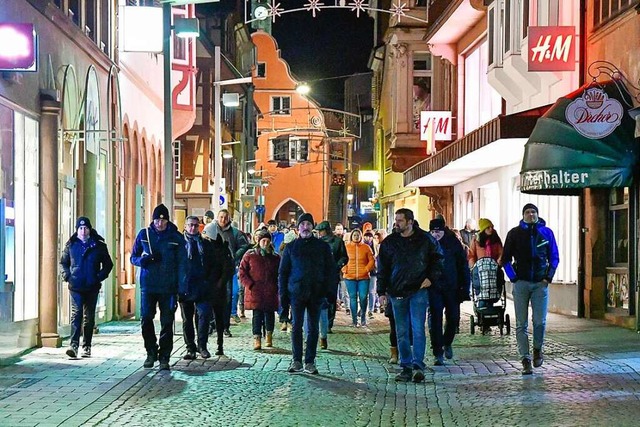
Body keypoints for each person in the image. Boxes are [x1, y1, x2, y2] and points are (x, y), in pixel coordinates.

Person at [377, 208, 444, 383]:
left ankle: (418, 366)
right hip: (397, 291)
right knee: (401, 331)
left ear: (410, 222)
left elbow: (438, 258)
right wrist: (381, 292)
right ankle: (406, 365)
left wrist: (431, 277)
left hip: (418, 290)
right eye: (396, 220)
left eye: (400, 220)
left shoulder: (425, 239)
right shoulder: (389, 243)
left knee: (418, 329)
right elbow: (382, 268)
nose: (396, 223)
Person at [501, 203, 559, 375]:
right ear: (523, 215)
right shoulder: (515, 234)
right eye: (528, 212)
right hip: (522, 283)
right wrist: (514, 278)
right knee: (521, 323)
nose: (531, 214)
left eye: (533, 212)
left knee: (539, 321)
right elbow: (505, 259)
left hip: (540, 283)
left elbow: (554, 256)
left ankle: (537, 349)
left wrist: (548, 277)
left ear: (537, 214)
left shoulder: (546, 233)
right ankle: (525, 358)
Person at [131, 204, 187, 370]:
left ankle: (164, 356)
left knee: (167, 322)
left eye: (162, 220)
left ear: (167, 220)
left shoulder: (176, 238)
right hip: (148, 285)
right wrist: (143, 261)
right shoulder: (144, 235)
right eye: (157, 220)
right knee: (146, 319)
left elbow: (183, 264)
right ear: (153, 220)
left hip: (168, 287)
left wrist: (181, 286)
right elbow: (133, 256)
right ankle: (151, 351)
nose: (159, 223)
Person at [279, 213, 336, 374]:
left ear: (313, 227)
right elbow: (283, 273)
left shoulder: (322, 247)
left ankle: (310, 361)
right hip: (296, 292)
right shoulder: (291, 248)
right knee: (296, 326)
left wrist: (330, 292)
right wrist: (283, 296)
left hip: (316, 292)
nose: (305, 227)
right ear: (298, 228)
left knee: (313, 328)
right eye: (302, 224)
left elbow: (330, 270)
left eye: (308, 224)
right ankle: (296, 360)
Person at [179, 216, 232, 360]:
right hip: (185, 287)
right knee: (187, 319)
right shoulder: (180, 244)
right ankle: (190, 348)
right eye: (190, 225)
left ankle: (202, 346)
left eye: (195, 226)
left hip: (203, 287)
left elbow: (214, 265)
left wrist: (211, 282)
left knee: (204, 315)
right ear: (185, 226)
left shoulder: (205, 244)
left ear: (199, 227)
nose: (193, 228)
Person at [60, 217, 113, 359]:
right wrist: (67, 276)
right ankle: (74, 345)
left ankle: (87, 345)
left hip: (91, 286)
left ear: (90, 229)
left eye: (85, 228)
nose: (83, 231)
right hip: (76, 286)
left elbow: (108, 264)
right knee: (76, 315)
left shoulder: (98, 245)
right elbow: (63, 262)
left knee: (88, 317)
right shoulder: (71, 245)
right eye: (80, 228)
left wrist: (98, 277)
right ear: (77, 230)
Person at [427, 218, 469, 365]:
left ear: (443, 230)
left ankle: (447, 342)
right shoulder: (427, 243)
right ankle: (438, 351)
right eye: (433, 231)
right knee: (435, 318)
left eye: (438, 231)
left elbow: (463, 265)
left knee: (453, 318)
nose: (435, 234)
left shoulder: (453, 243)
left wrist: (465, 287)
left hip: (452, 286)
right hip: (434, 287)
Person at [203, 209, 249, 336]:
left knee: (227, 297)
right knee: (211, 296)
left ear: (229, 219)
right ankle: (212, 323)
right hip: (212, 270)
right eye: (221, 217)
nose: (223, 220)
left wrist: (234, 256)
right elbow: (204, 242)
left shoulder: (235, 232)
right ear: (218, 217)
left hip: (227, 270)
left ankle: (225, 326)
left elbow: (244, 246)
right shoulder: (211, 229)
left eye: (226, 217)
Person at [239, 230, 280, 350]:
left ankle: (269, 336)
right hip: (255, 291)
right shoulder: (250, 255)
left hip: (270, 291)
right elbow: (242, 272)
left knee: (269, 314)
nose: (265, 243)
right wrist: (250, 284)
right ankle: (257, 338)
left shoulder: (275, 257)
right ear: (258, 241)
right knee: (257, 316)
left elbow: (280, 273)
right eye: (263, 240)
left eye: (267, 240)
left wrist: (277, 285)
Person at [315, 220, 348, 346]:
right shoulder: (318, 243)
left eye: (321, 231)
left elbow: (344, 257)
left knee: (331, 298)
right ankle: (323, 323)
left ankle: (329, 323)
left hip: (332, 274)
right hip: (319, 275)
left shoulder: (338, 242)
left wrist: (337, 266)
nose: (319, 233)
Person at [468, 218, 504, 311]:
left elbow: (501, 252)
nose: (491, 229)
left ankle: (490, 309)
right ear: (483, 229)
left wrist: (499, 261)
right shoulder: (476, 240)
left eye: (492, 227)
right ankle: (482, 311)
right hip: (480, 269)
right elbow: (471, 254)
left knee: (493, 288)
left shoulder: (496, 239)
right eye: (488, 227)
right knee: (481, 289)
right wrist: (473, 265)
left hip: (493, 269)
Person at [342, 228, 375, 327]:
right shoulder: (346, 247)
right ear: (351, 236)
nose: (356, 237)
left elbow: (371, 260)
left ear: (361, 236)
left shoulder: (366, 247)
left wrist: (366, 269)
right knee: (352, 298)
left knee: (363, 297)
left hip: (364, 277)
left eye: (358, 235)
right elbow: (342, 259)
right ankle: (354, 320)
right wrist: (344, 269)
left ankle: (363, 318)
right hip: (349, 277)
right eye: (354, 235)